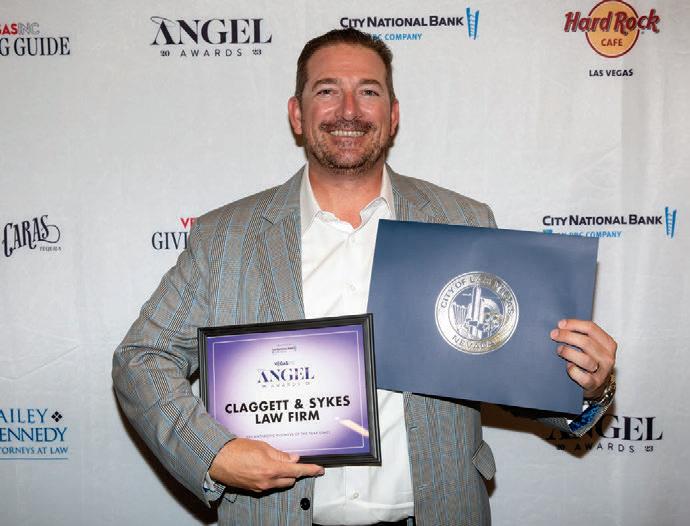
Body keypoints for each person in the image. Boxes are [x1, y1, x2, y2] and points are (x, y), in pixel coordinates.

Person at [112, 28, 617, 526]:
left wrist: (583, 384)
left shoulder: (462, 222)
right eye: (327, 91)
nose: (349, 110)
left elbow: (512, 367)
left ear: (393, 115)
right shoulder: (225, 238)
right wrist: (213, 452)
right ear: (297, 114)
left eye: (368, 92)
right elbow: (141, 358)